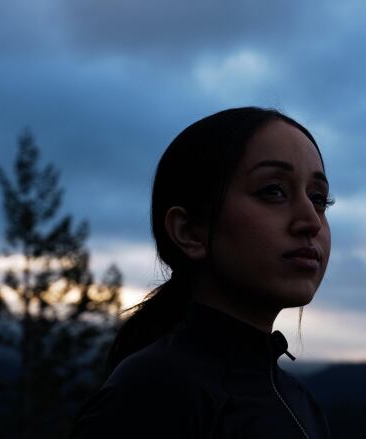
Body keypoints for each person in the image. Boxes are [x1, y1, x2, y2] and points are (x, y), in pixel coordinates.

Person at [71, 107, 334, 438]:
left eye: (319, 199)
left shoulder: (299, 402)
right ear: (189, 232)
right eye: (273, 191)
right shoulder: (153, 396)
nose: (311, 221)